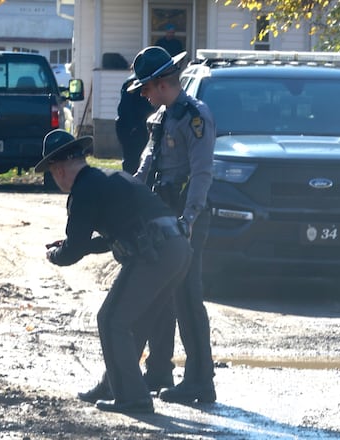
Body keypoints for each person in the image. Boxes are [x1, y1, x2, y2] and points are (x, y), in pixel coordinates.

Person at [37, 129, 192, 414]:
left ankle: (133, 397)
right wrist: (75, 245)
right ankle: (114, 385)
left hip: (155, 253)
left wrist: (54, 255)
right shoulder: (106, 178)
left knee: (110, 319)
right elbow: (111, 238)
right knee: (134, 322)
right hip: (177, 248)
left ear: (58, 170)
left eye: (51, 172)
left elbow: (73, 251)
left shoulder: (83, 190)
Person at [130, 45, 217, 404]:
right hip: (162, 213)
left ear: (162, 84)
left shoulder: (195, 117)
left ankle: (200, 380)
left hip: (185, 214)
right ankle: (159, 371)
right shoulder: (161, 119)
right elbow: (146, 168)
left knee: (186, 296)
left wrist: (189, 219)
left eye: (146, 88)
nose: (144, 95)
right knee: (159, 293)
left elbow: (201, 173)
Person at [116, 74, 155, 173]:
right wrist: (133, 126)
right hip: (133, 128)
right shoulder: (133, 83)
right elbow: (125, 108)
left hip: (144, 126)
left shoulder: (150, 79)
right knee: (132, 161)